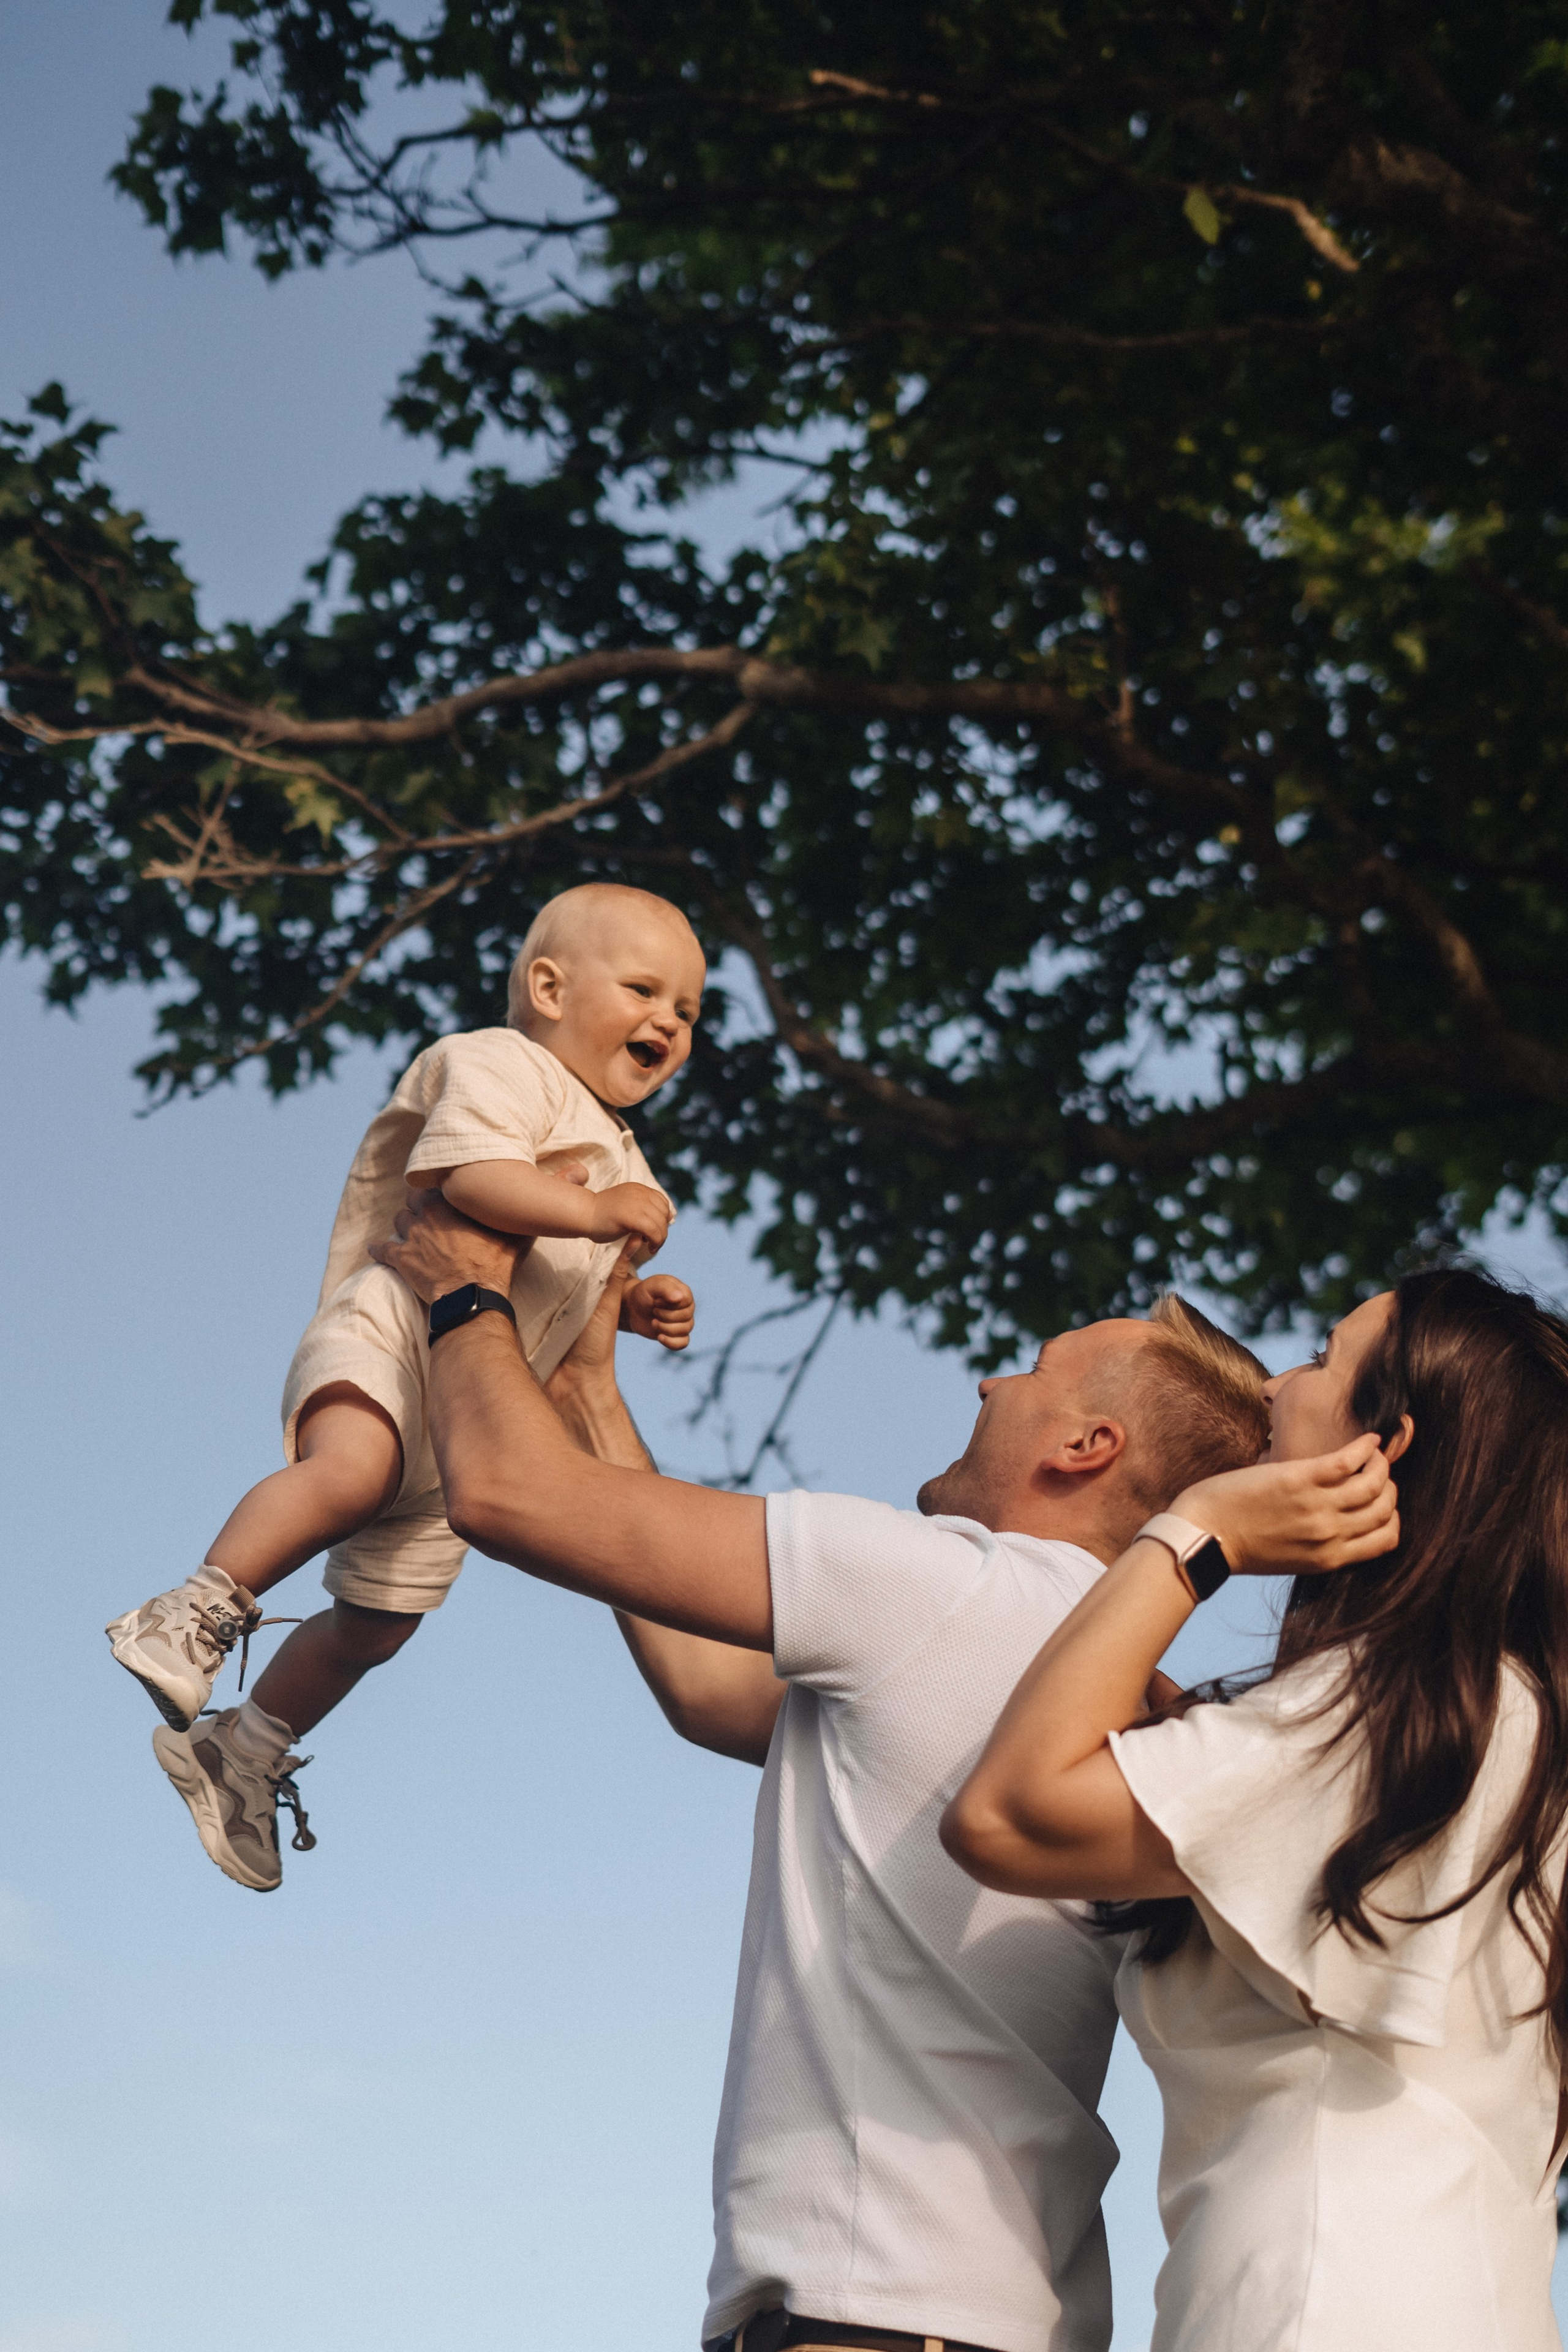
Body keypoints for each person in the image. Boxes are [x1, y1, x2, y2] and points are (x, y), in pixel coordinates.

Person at [369, 1183, 1363, 2352]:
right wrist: (590, 1385)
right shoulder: (1118, 1692)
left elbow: (510, 1493)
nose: (993, 1382)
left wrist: (461, 1286)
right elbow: (705, 1685)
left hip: (867, 2318)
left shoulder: (946, 1583)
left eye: (1034, 1371)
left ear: (1086, 1446)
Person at [942, 1267, 1568, 2352]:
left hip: (1326, 2300)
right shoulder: (1484, 1723)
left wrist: (1195, 1534)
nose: (1278, 1383)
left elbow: (1010, 1815)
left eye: (1325, 1361)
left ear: (1387, 1446)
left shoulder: (1397, 1709)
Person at [105, 883, 703, 1890]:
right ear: (549, 987)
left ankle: (235, 1753)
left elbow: (561, 1274)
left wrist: (635, 1302)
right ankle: (196, 1606)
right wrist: (603, 1216)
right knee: (349, 1470)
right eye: (645, 990)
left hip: (474, 1409)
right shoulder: (497, 1062)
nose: (669, 1023)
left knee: (384, 1623)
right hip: (394, 1333)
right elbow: (470, 1182)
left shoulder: (619, 1150)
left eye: (688, 1011)